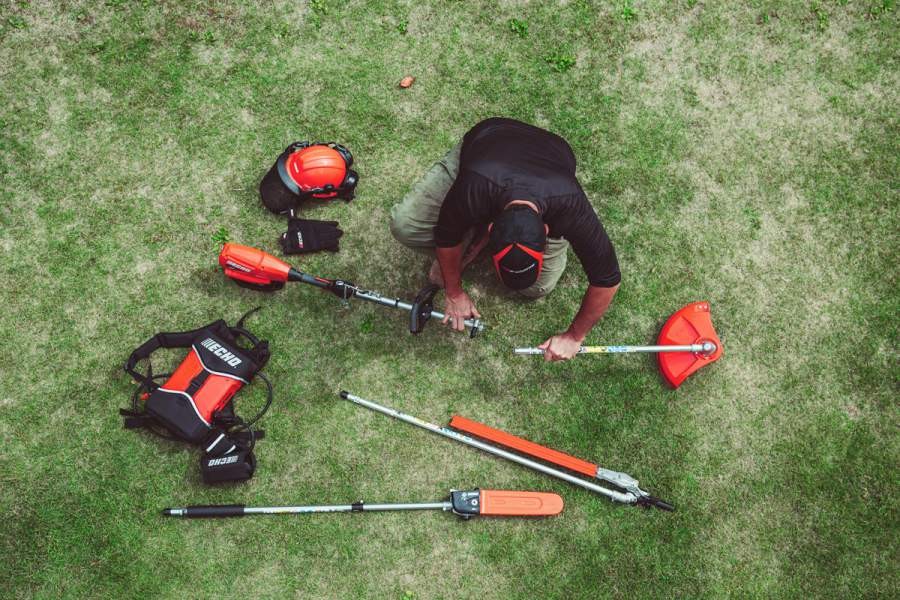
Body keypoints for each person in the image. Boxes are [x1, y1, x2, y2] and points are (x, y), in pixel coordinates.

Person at [390, 117, 620, 361]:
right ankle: (470, 230)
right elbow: (446, 236)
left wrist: (574, 337)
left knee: (537, 287)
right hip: (489, 142)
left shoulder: (570, 207)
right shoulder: (472, 187)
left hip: (553, 155)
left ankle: (470, 231)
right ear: (491, 229)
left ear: (546, 231)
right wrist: (453, 292)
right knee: (405, 226)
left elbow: (607, 279)